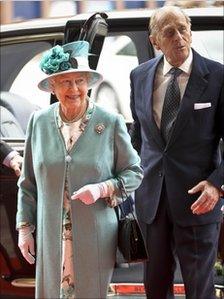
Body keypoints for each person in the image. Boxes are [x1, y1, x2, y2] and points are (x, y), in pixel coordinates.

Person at [16, 40, 143, 299]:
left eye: (80, 81)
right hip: (51, 236)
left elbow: (134, 172)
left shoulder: (109, 122)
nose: (74, 89)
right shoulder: (38, 122)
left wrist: (102, 188)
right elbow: (28, 182)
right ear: (52, 86)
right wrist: (24, 228)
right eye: (65, 82)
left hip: (94, 236)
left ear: (89, 83)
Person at [130, 6, 224, 299]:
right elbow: (139, 136)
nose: (179, 37)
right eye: (169, 32)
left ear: (191, 32)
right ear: (155, 41)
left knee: (200, 289)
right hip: (152, 202)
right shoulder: (139, 76)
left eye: (183, 29)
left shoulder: (218, 76)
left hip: (198, 201)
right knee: (155, 288)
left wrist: (216, 184)